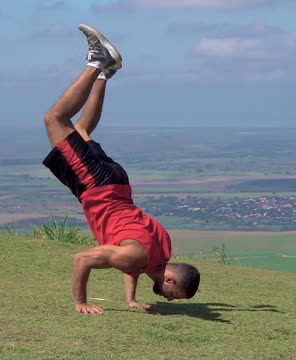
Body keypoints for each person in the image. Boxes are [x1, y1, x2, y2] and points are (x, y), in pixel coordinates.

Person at [42, 24, 200, 315]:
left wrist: (131, 300)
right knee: (55, 118)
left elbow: (134, 265)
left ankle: (105, 73)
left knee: (81, 130)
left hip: (118, 184)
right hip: (96, 188)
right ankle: (96, 62)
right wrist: (81, 303)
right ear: (170, 278)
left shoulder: (162, 250)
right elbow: (82, 259)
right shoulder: (135, 257)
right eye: (173, 295)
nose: (168, 299)